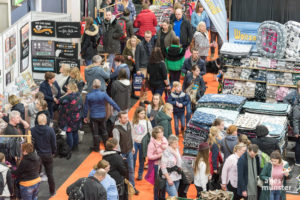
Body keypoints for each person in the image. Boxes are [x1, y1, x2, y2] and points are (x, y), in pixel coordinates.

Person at [83, 79, 121, 151]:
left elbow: (86, 107)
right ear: (100, 86)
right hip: (102, 116)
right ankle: (107, 146)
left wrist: (85, 116)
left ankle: (96, 147)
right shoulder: (103, 94)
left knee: (95, 132)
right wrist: (119, 110)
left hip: (93, 116)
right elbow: (112, 102)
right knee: (104, 131)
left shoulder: (89, 95)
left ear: (93, 86)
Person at [112, 111, 139, 195]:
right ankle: (123, 189)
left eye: (127, 117)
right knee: (122, 171)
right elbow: (116, 143)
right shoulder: (116, 129)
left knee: (131, 169)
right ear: (119, 118)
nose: (127, 119)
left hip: (129, 150)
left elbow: (131, 136)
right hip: (122, 153)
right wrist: (119, 155)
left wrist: (133, 147)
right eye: (124, 118)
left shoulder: (129, 123)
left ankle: (132, 187)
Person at [31, 114, 56, 196]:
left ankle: (35, 193)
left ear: (38, 121)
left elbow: (31, 144)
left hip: (37, 155)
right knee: (50, 174)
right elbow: (53, 143)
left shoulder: (32, 130)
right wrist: (53, 152)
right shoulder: (50, 130)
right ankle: (52, 192)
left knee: (36, 175)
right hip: (48, 154)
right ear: (45, 121)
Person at [58, 83, 83, 150]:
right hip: (77, 117)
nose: (67, 90)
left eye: (68, 89)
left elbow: (59, 101)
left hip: (69, 118)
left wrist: (65, 95)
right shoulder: (79, 95)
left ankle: (69, 147)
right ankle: (75, 147)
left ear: (71, 89)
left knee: (69, 132)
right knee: (75, 131)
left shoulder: (68, 97)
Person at [146, 126, 168, 198]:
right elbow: (149, 156)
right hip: (156, 165)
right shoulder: (151, 144)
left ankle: (163, 197)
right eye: (159, 132)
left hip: (165, 164)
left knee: (164, 182)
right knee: (157, 183)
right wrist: (159, 155)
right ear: (155, 134)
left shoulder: (164, 140)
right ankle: (156, 198)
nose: (162, 133)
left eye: (162, 132)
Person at [132, 106, 153, 180]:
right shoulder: (133, 122)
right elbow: (131, 134)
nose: (143, 115)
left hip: (143, 143)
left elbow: (151, 132)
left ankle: (140, 174)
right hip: (135, 142)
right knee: (133, 159)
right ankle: (132, 173)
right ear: (137, 114)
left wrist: (150, 143)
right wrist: (132, 145)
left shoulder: (147, 122)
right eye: (141, 113)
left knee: (142, 159)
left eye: (144, 113)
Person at [284, 80, 300, 166]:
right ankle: (298, 161)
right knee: (298, 142)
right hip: (296, 119)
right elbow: (285, 99)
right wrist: (291, 108)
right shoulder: (294, 94)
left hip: (296, 119)